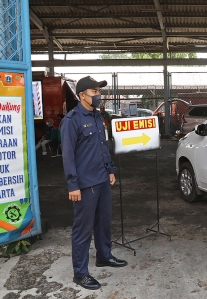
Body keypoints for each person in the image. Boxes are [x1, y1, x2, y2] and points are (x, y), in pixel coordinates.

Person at [60, 76, 127, 290]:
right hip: (85, 183)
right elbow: (68, 156)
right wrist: (73, 185)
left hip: (102, 179)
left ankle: (104, 256)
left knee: (104, 222)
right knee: (83, 229)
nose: (99, 95)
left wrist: (110, 170)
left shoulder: (98, 117)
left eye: (99, 91)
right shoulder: (72, 120)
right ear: (82, 95)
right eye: (94, 91)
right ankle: (80, 273)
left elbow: (102, 145)